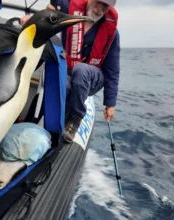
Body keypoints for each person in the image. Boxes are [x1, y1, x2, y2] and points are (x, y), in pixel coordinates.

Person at [21, 0, 120, 142]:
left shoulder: (112, 33)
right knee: (62, 84)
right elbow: (53, 5)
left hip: (93, 77)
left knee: (81, 70)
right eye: (99, 2)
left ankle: (75, 118)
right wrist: (34, 20)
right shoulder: (67, 10)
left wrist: (110, 103)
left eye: (106, 6)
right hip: (67, 72)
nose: (100, 9)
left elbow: (113, 69)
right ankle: (50, 123)